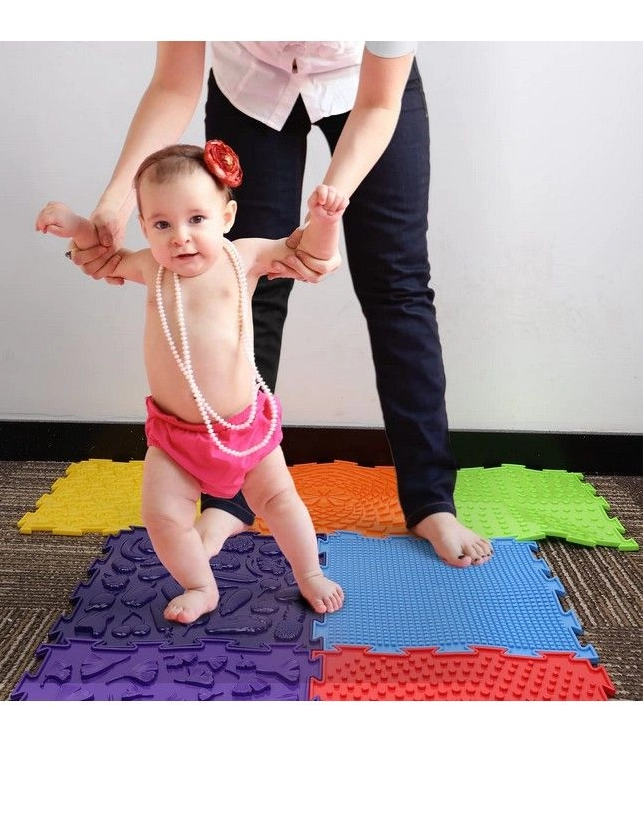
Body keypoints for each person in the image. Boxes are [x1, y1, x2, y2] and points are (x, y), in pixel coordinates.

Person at [65, 41, 493, 568]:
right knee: (243, 283)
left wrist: (328, 205)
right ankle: (229, 498)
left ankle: (431, 501)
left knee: (398, 288)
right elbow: (175, 82)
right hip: (252, 85)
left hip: (365, 86)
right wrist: (115, 203)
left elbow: (380, 105)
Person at [36, 141, 346, 624]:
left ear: (227, 216)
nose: (180, 237)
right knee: (162, 517)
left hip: (244, 428)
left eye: (196, 219)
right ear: (145, 228)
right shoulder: (149, 266)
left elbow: (305, 251)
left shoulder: (242, 257)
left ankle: (309, 574)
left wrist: (325, 223)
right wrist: (77, 226)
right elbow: (102, 255)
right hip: (175, 438)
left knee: (282, 502)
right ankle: (201, 584)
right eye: (162, 224)